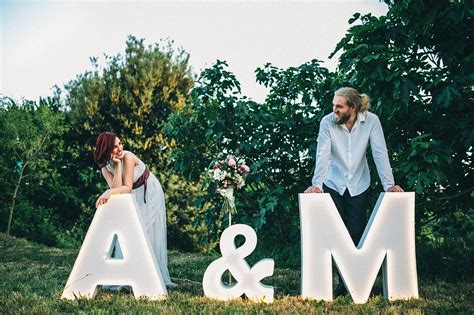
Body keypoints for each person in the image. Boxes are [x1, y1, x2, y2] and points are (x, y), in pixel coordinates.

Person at [304, 87, 403, 296]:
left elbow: (379, 152)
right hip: (333, 182)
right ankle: (343, 284)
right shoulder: (327, 122)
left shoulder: (372, 121)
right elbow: (322, 153)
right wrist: (317, 185)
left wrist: (389, 185)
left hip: (359, 183)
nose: (335, 110)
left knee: (356, 231)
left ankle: (358, 281)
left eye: (339, 106)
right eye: (334, 105)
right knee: (336, 233)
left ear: (354, 107)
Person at [93, 131, 175, 288]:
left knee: (146, 231)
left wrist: (108, 192)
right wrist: (116, 167)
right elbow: (118, 189)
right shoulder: (105, 168)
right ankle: (129, 274)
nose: (119, 148)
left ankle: (152, 276)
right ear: (106, 149)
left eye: (120, 144)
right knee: (129, 232)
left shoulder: (128, 157)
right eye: (114, 147)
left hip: (148, 191)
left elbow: (126, 187)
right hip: (129, 194)